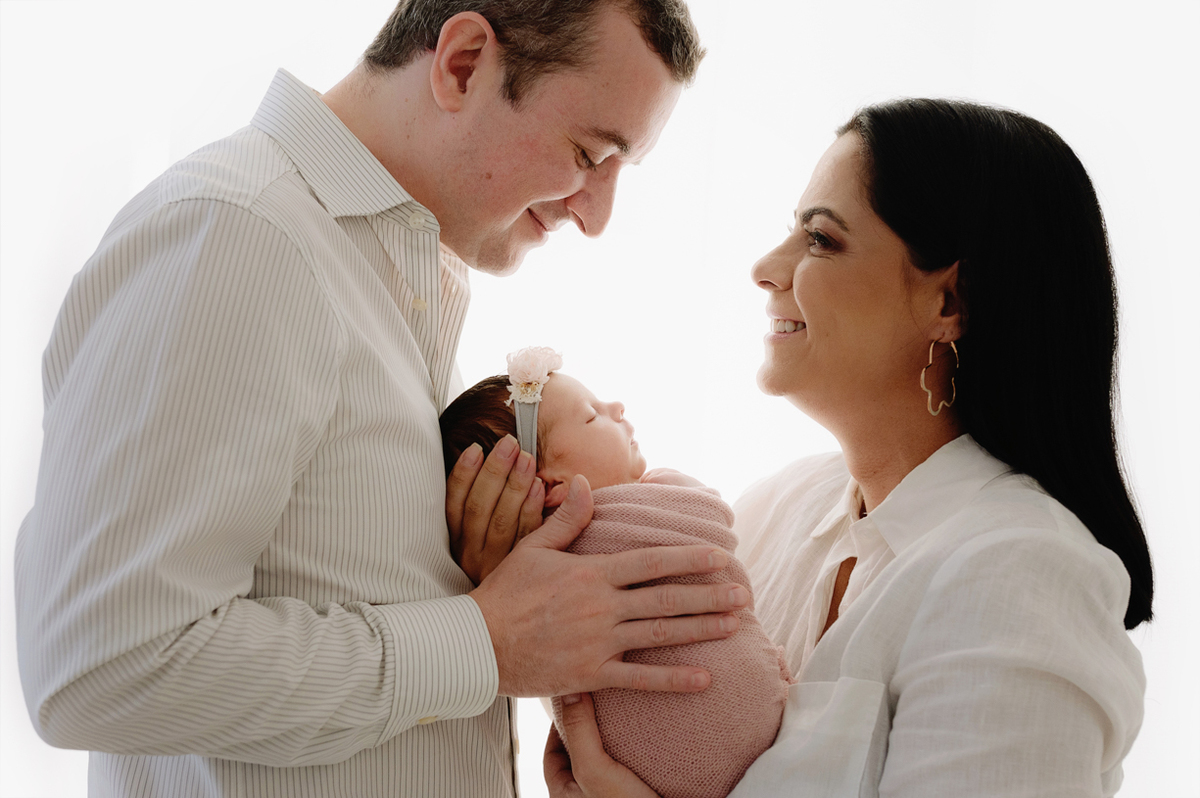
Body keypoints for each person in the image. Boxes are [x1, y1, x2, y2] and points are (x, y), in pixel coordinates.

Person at [14, 3, 754, 798]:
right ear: (463, 64)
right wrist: (484, 642)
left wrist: (496, 604)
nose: (595, 215)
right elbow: (100, 665)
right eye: (587, 154)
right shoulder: (240, 236)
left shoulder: (400, 281)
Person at [547, 98, 1153, 797]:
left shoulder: (1024, 577)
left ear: (950, 303)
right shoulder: (770, 511)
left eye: (820, 239)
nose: (764, 268)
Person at [439, 349, 790, 797]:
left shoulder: (528, 571)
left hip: (643, 769)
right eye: (591, 416)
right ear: (551, 487)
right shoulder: (602, 535)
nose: (617, 407)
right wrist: (687, 491)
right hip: (724, 733)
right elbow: (711, 526)